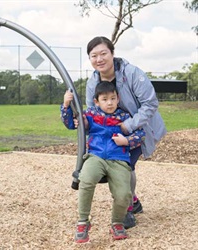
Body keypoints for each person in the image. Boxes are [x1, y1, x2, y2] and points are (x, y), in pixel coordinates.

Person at [77, 36, 166, 229]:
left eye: (103, 53)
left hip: (138, 128)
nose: (99, 59)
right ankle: (132, 200)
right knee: (111, 165)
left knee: (126, 166)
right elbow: (93, 112)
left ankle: (126, 210)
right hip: (110, 132)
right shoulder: (92, 83)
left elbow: (150, 104)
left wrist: (128, 126)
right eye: (94, 56)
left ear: (112, 53)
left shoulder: (132, 73)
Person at [61, 81, 146, 243]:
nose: (110, 103)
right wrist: (66, 105)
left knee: (124, 194)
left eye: (113, 98)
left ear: (118, 98)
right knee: (86, 179)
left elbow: (141, 135)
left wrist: (126, 141)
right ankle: (83, 221)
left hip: (118, 159)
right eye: (105, 99)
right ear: (96, 101)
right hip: (96, 156)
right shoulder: (91, 115)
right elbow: (72, 124)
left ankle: (117, 222)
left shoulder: (124, 117)